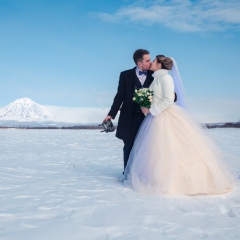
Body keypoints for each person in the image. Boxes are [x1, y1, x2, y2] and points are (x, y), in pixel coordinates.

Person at [124, 55, 233, 195]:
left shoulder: (166, 78)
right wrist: (146, 106)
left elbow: (169, 100)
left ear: (159, 65)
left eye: (154, 61)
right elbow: (156, 97)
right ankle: (157, 178)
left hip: (166, 117)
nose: (151, 63)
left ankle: (181, 181)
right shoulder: (157, 78)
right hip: (155, 117)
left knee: (173, 147)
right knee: (157, 150)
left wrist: (152, 110)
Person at [103, 49, 153, 171]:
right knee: (129, 146)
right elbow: (120, 96)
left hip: (148, 118)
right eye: (147, 60)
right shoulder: (125, 75)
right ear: (139, 63)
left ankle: (142, 175)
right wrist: (111, 114)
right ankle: (127, 174)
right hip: (129, 118)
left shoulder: (154, 75)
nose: (150, 63)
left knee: (147, 147)